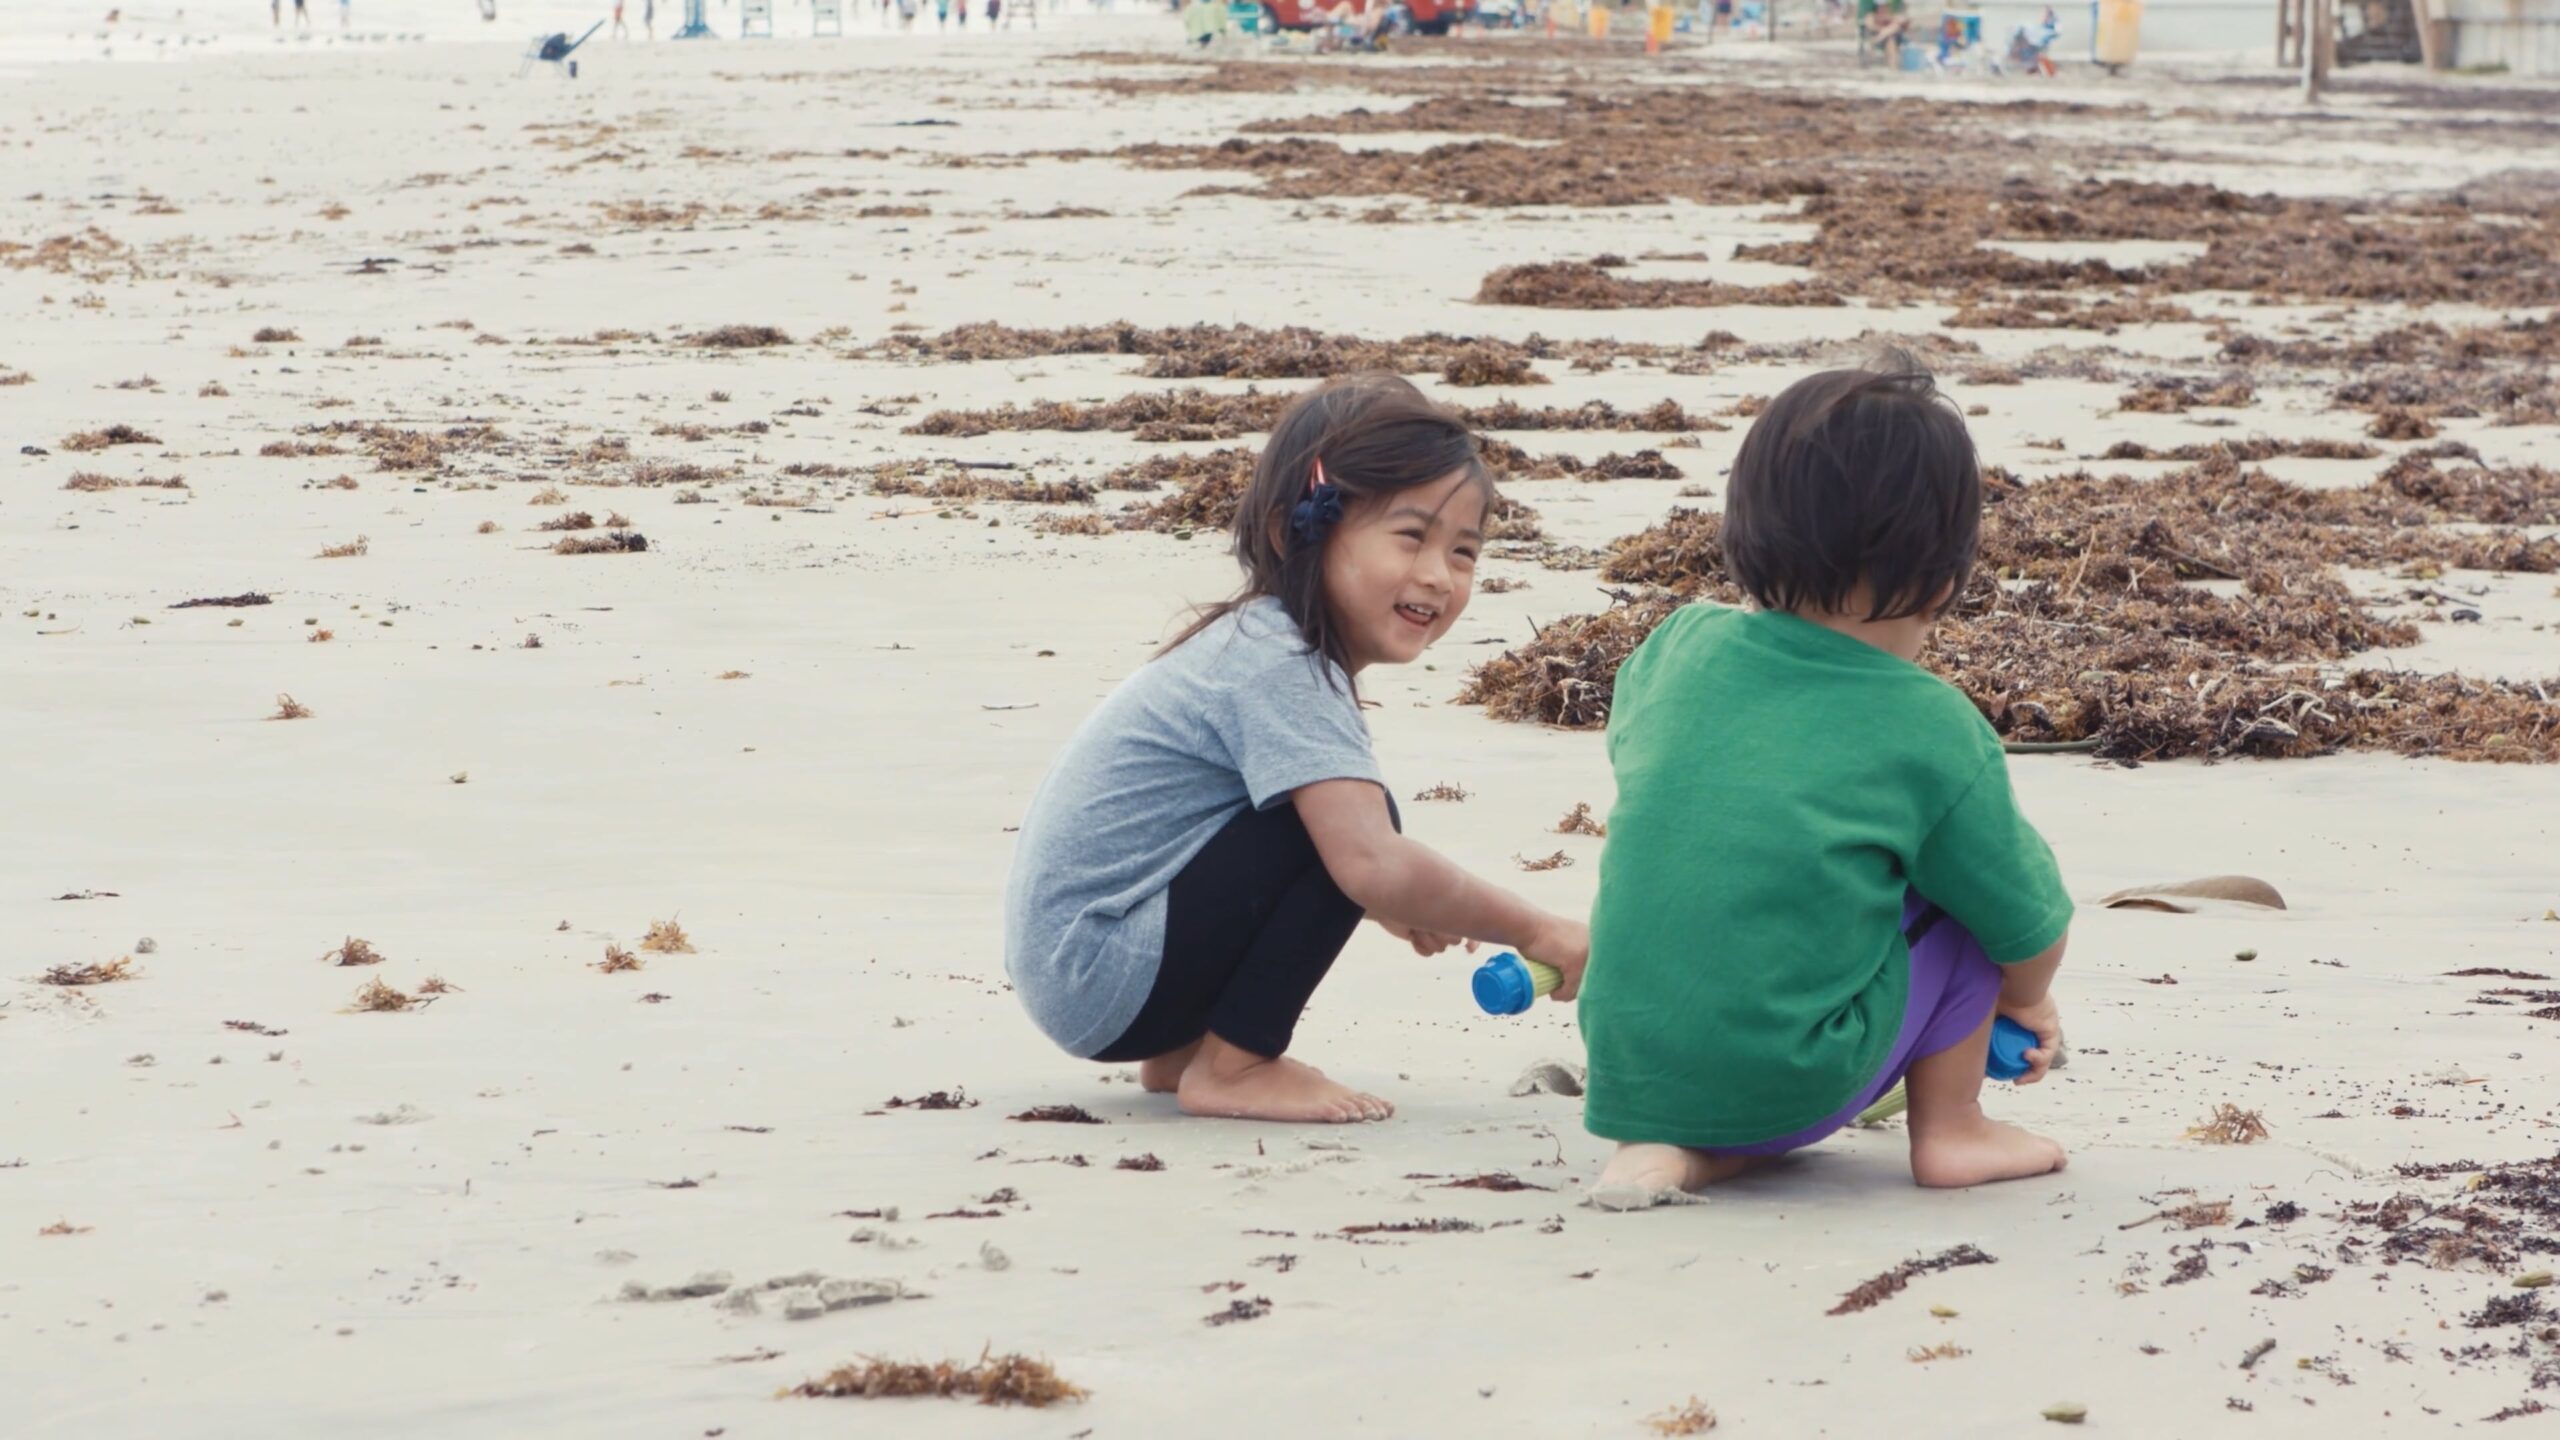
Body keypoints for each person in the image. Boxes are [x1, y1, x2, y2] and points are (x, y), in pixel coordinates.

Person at [1004, 375, 1591, 1125]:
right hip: (1103, 968)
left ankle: (1184, 1053)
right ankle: (1237, 1064)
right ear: (1294, 531)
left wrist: (1378, 900)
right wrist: (1538, 931)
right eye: (1410, 536)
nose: (1438, 576)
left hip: (1089, 971)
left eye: (1465, 551)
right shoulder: (1278, 662)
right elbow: (1368, 861)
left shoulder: (1261, 642)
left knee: (1345, 830)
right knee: (1360, 831)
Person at [1580, 354, 2072, 1206]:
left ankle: (1668, 1152)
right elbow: (2029, 927)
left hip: (1632, 1068)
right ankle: (1954, 1129)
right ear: (1948, 578)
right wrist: (2026, 1003)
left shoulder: (1674, 648)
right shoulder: (1931, 725)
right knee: (1963, 901)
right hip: (1796, 1080)